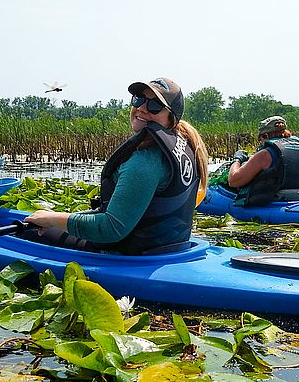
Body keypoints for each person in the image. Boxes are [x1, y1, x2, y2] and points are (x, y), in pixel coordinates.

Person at [23, 77, 209, 255]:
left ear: (171, 118)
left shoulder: (145, 161)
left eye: (155, 106)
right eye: (139, 99)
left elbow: (111, 228)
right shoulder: (185, 145)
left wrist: (50, 219)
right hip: (169, 249)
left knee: (25, 233)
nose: (142, 108)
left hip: (131, 254)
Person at [226, 116, 299, 206]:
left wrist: (237, 160)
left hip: (275, 201)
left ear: (266, 136)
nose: (261, 142)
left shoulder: (265, 154)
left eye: (260, 138)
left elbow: (233, 181)